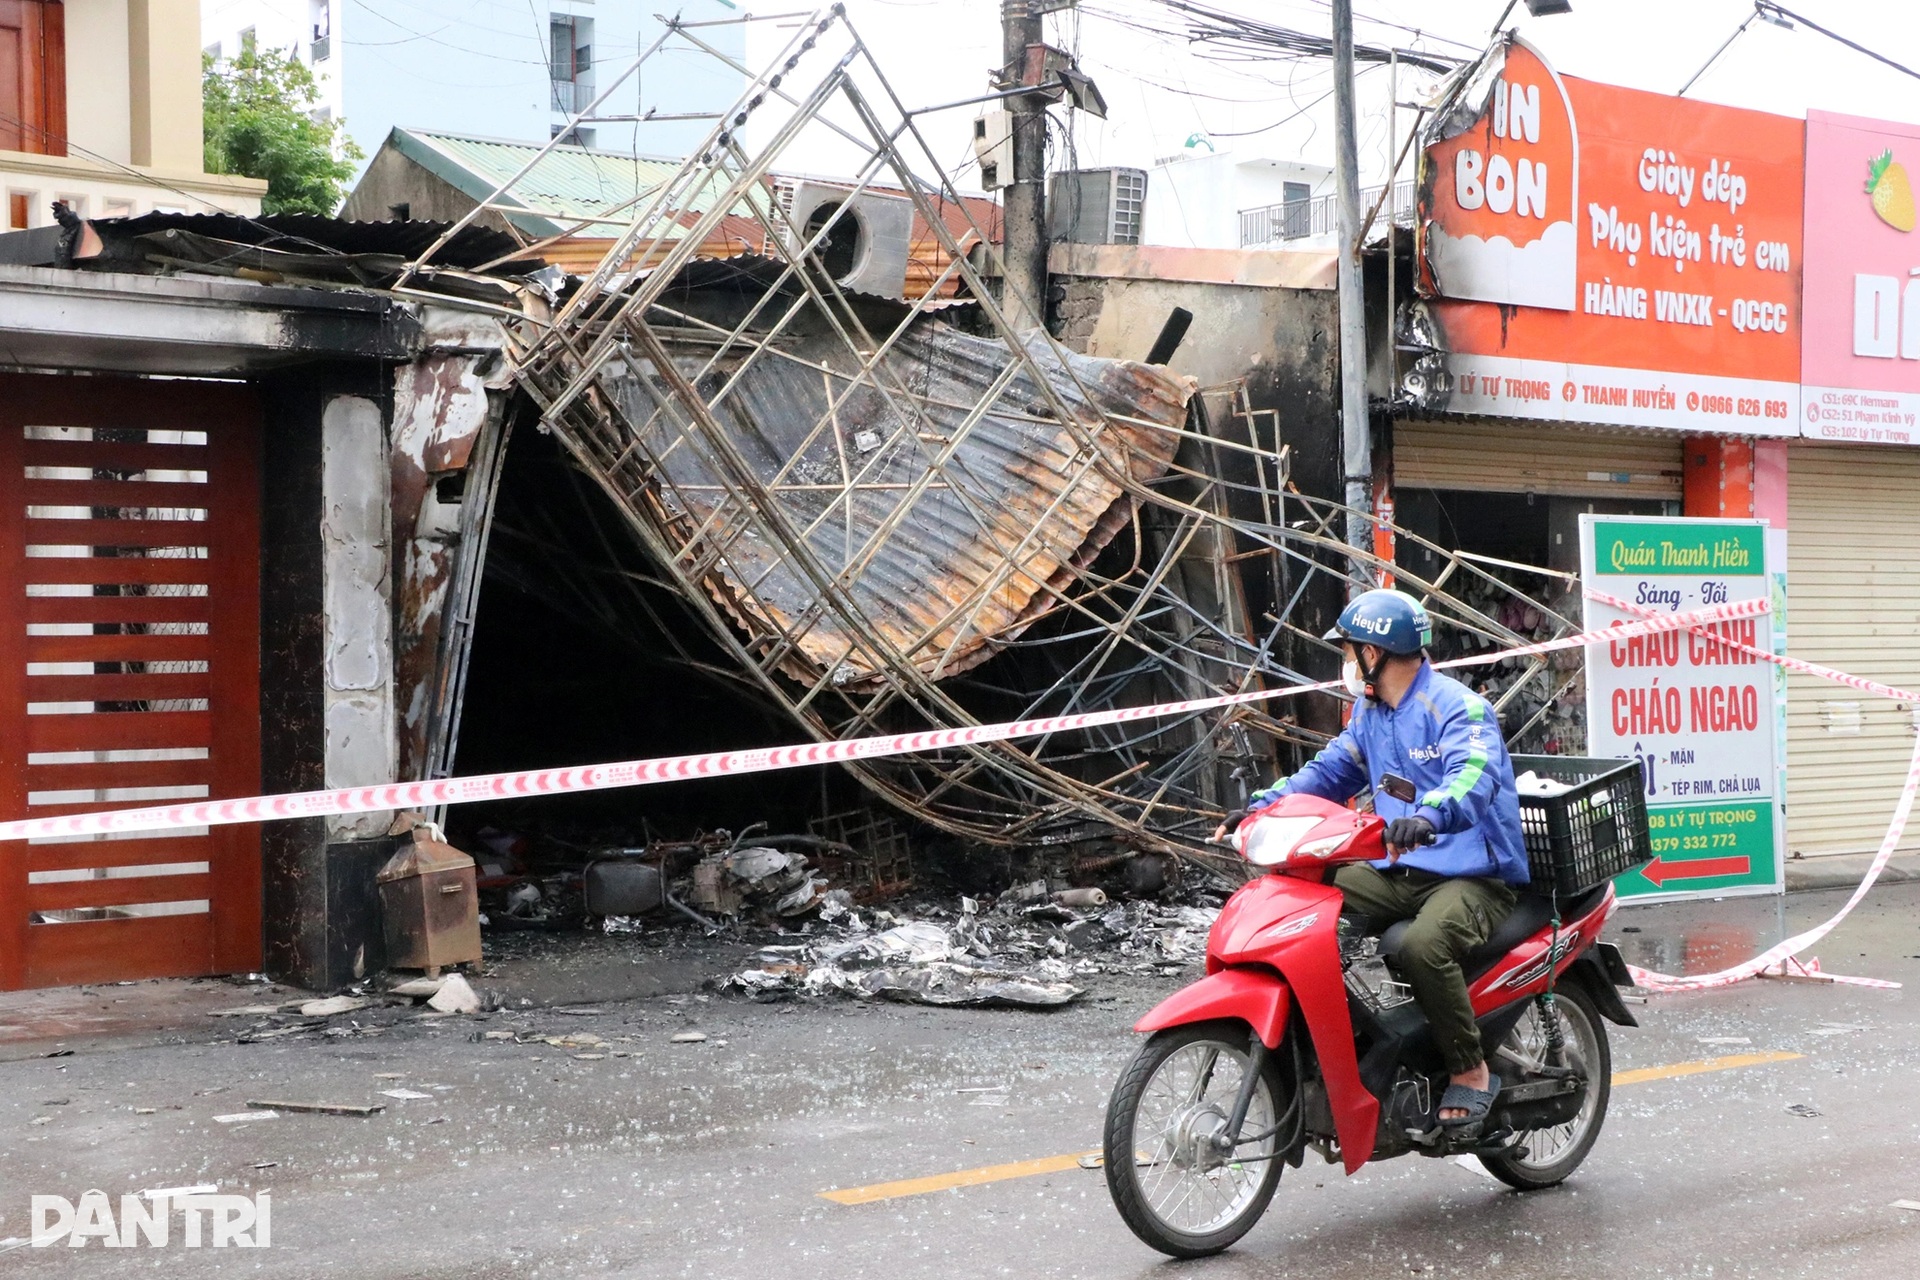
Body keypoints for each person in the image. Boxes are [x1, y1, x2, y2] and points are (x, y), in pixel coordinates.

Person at [1225, 588, 1530, 1131]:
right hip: (1398, 866)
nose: (1345, 663)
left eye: (1348, 651)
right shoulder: (1372, 712)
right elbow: (1328, 772)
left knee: (1421, 946)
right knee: (1311, 899)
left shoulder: (1459, 707)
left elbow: (1474, 775)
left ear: (1375, 653)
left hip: (1472, 872)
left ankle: (1470, 1068)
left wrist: (1432, 815)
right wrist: (1258, 809)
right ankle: (1350, 1038)